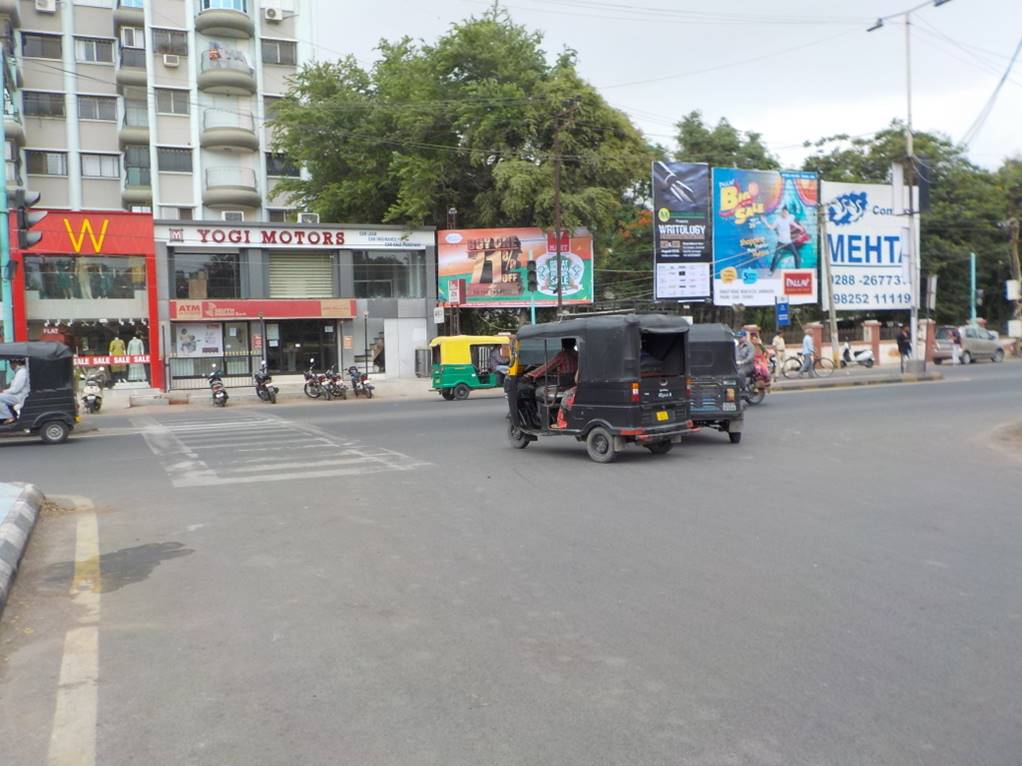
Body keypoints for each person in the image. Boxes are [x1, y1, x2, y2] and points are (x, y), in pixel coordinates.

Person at [766, 206, 806, 274]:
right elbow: (771, 227)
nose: (785, 214)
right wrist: (765, 222)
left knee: (796, 255)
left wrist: (800, 228)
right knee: (775, 256)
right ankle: (771, 271)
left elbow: (795, 225)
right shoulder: (778, 220)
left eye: (786, 213)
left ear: (787, 213)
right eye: (783, 212)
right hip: (780, 242)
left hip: (788, 242)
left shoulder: (789, 219)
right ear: (782, 212)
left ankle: (798, 271)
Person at [0, 358, 30, 424]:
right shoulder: (19, 372)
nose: (10, 367)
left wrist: (3, 391)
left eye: (10, 365)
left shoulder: (22, 372)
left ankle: (9, 417)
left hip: (18, 397)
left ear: (14, 364)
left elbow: (16, 389)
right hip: (14, 395)